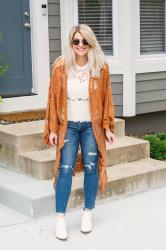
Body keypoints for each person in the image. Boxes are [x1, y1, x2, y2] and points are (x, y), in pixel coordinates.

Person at [43, 24, 115, 240]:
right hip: (69, 126)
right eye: (76, 41)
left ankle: (87, 212)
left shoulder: (100, 67)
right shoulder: (61, 67)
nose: (81, 45)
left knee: (92, 167)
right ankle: (60, 218)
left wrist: (107, 127)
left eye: (84, 41)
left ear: (90, 42)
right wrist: (53, 128)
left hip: (91, 126)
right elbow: (53, 100)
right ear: (71, 43)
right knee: (65, 169)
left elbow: (106, 99)